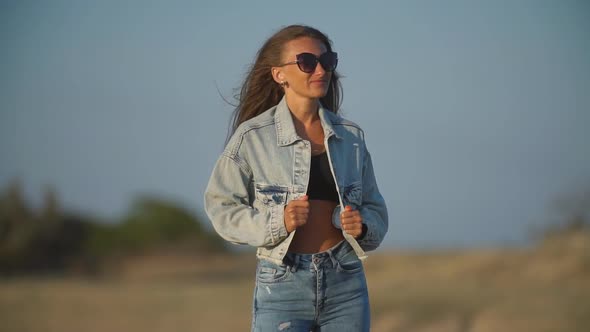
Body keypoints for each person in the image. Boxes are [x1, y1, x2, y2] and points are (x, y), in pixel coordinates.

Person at [204, 24, 388, 332]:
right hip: (282, 283)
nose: (320, 69)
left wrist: (364, 225)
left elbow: (374, 206)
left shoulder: (350, 136)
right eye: (307, 62)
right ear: (280, 74)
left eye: (327, 61)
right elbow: (221, 207)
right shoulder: (252, 137)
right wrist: (279, 221)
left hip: (346, 279)